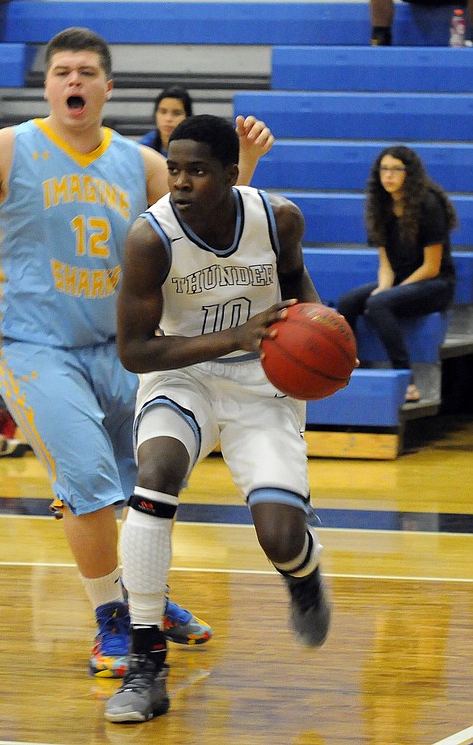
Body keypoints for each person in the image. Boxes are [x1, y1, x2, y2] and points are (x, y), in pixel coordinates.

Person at [0, 26, 274, 679]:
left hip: (120, 347)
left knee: (152, 481)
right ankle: (112, 620)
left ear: (107, 87)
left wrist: (246, 166)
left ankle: (147, 600)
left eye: (86, 72)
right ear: (46, 86)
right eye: (62, 71)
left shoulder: (140, 163)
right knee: (89, 485)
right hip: (35, 348)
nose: (73, 80)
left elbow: (207, 231)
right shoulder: (8, 149)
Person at [105, 114, 331, 724]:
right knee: (155, 474)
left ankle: (302, 572)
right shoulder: (150, 238)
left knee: (280, 537)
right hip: (182, 373)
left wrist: (323, 344)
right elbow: (134, 351)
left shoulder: (278, 219)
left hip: (264, 381)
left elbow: (300, 294)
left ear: (232, 174)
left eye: (198, 171)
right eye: (174, 168)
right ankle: (145, 663)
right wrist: (234, 336)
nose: (179, 182)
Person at [336, 146, 456, 404]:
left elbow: (432, 267)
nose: (388, 175)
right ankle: (344, 370)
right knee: (348, 302)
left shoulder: (429, 204)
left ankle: (406, 379)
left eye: (396, 169)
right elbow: (386, 264)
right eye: (384, 169)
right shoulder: (380, 205)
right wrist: (385, 287)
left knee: (379, 303)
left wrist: (389, 293)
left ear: (409, 173)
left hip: (435, 284)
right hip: (401, 282)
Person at [138, 85, 193, 157]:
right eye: (163, 112)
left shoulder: (197, 149)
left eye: (176, 113)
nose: (168, 119)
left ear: (187, 116)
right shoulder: (145, 146)